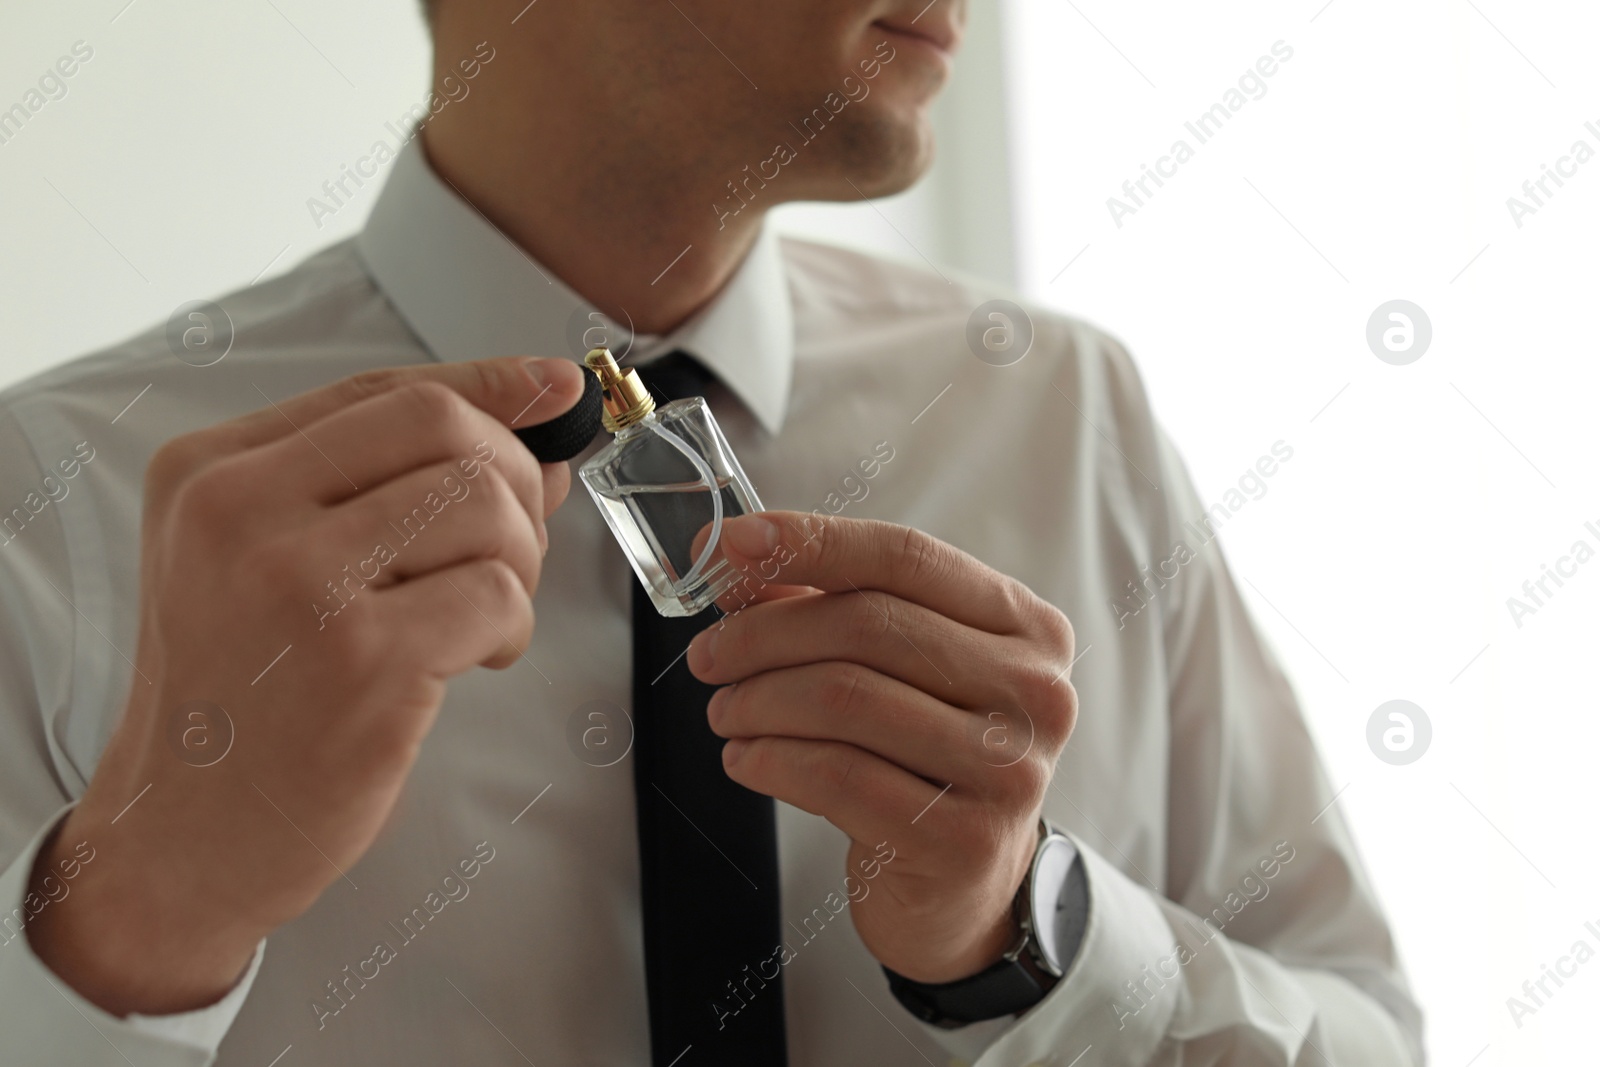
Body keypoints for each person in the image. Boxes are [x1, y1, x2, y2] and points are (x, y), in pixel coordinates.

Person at [0, 1, 1423, 1064]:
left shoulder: (1063, 412)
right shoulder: (48, 501)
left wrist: (1031, 935)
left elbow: (1370, 1036)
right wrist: (141, 910)